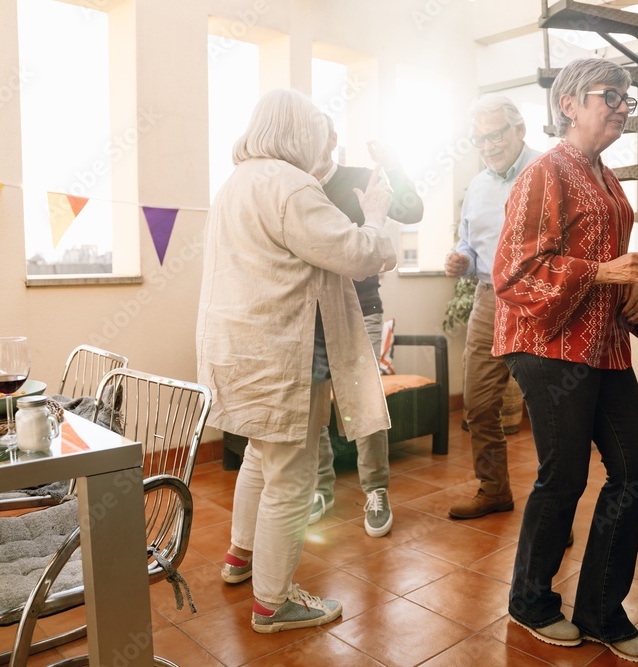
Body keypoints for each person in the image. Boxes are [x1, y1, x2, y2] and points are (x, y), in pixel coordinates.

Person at [196, 89, 396, 633]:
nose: (321, 141)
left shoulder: (237, 181)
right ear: (294, 132)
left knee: (262, 458)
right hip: (285, 355)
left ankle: (240, 557)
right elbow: (356, 254)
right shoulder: (290, 185)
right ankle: (273, 602)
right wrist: (376, 217)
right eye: (314, 131)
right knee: (293, 476)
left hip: (242, 351)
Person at [492, 58, 638, 664]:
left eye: (627, 99)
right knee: (564, 474)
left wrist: (635, 290)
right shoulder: (546, 171)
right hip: (546, 344)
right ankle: (531, 602)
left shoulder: (609, 179)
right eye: (609, 96)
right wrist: (601, 272)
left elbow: (609, 271)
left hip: (602, 343)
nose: (622, 106)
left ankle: (599, 609)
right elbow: (512, 276)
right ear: (568, 103)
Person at [307, 116, 424, 537]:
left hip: (361, 310)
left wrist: (393, 164)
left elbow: (413, 210)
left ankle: (376, 490)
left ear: (334, 141)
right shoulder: (295, 186)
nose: (310, 147)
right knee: (314, 404)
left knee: (365, 402)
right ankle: (320, 488)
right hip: (309, 313)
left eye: (318, 138)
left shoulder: (362, 178)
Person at [444, 95, 539, 520]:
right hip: (488, 299)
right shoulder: (478, 186)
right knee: (479, 403)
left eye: (496, 133)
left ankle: (550, 513)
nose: (488, 144)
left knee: (549, 412)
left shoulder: (548, 172)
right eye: (479, 138)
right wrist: (460, 260)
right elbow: (468, 244)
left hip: (539, 301)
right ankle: (494, 488)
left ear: (519, 129)